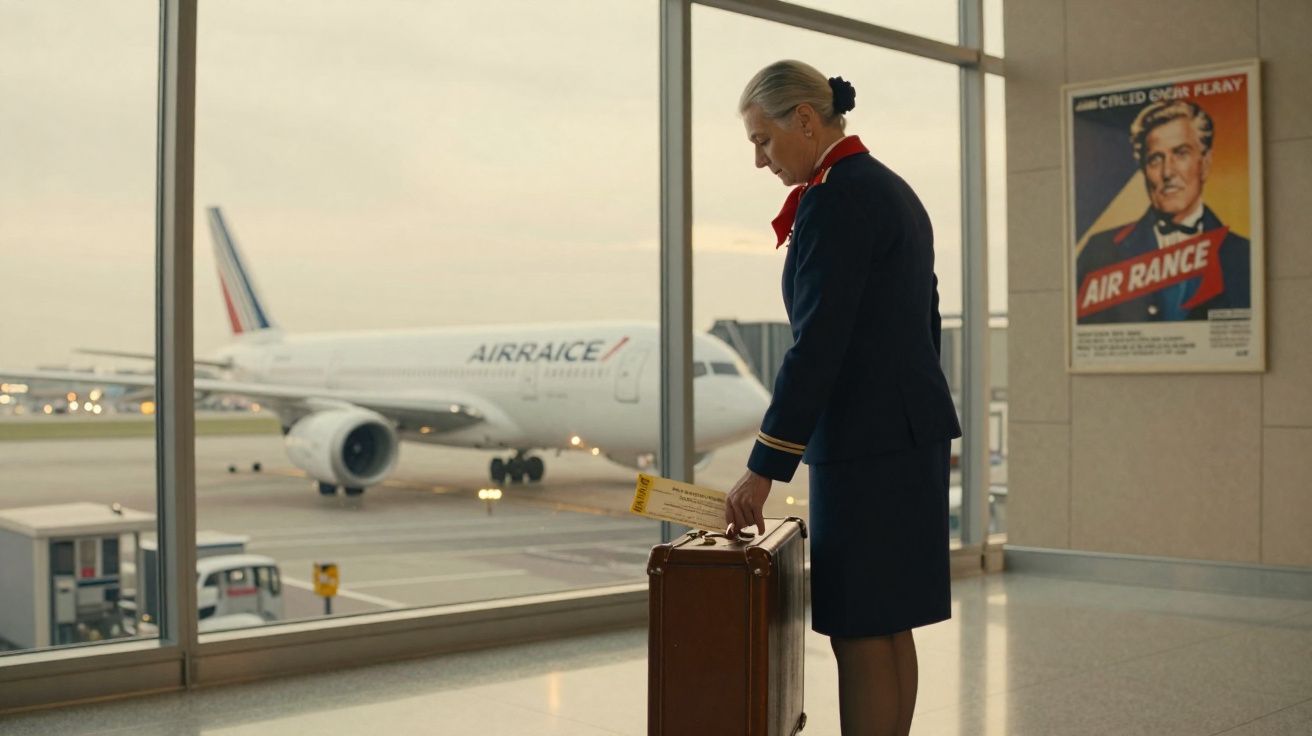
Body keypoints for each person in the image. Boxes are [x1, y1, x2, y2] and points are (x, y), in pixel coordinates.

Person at [725, 60, 962, 736]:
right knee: (889, 624)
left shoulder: (838, 197)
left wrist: (764, 464)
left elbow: (818, 344)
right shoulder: (887, 188)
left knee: (858, 629)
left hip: (865, 444)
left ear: (804, 119)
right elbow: (928, 319)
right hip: (905, 434)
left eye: (763, 140)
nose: (759, 160)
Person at [1076, 99, 1251, 323]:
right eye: (1156, 159)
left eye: (1181, 153)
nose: (1168, 172)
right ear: (1143, 170)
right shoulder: (1100, 252)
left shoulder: (1243, 256)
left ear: (1205, 164)